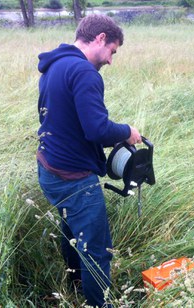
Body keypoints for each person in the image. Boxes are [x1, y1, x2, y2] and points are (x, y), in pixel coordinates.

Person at [36, 14, 141, 307]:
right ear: (101, 39)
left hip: (48, 169)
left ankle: (75, 283)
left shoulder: (55, 64)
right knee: (96, 248)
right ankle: (99, 303)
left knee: (70, 230)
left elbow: (56, 119)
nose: (110, 61)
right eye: (112, 51)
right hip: (73, 178)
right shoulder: (84, 72)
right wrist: (127, 132)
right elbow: (97, 129)